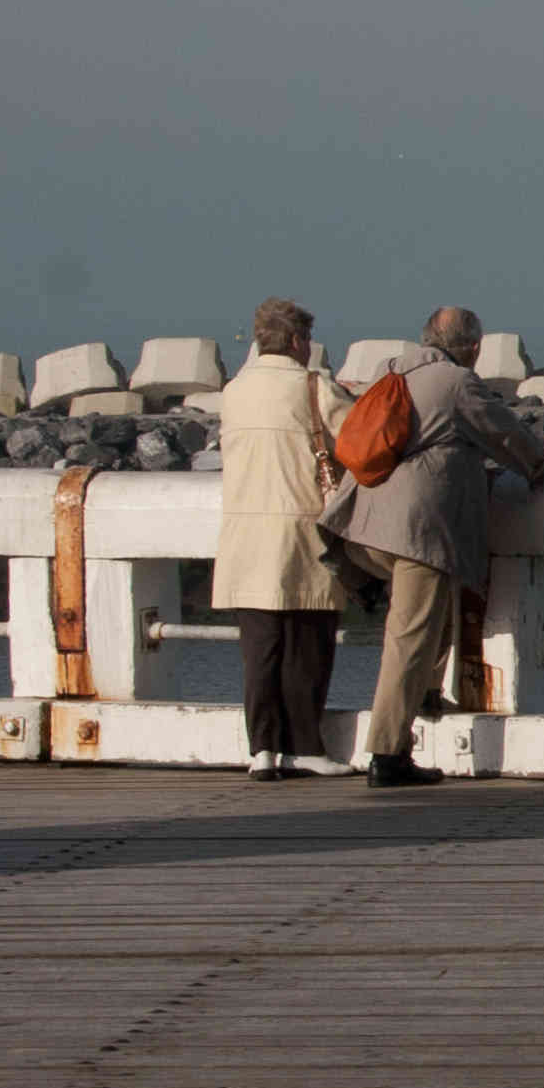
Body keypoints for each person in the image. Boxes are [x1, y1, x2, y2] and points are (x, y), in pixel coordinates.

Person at [318, 307, 544, 787]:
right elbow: (507, 435)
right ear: (472, 347)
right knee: (407, 638)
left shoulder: (395, 370)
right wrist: (543, 467)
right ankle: (387, 754)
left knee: (431, 610)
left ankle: (426, 694)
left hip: (366, 521)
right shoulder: (456, 383)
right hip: (416, 532)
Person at [212, 298, 359, 781]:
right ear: (298, 341)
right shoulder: (313, 385)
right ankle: (306, 746)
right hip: (301, 529)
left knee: (261, 648)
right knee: (308, 644)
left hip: (245, 532)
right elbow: (355, 442)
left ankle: (263, 750)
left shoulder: (233, 390)